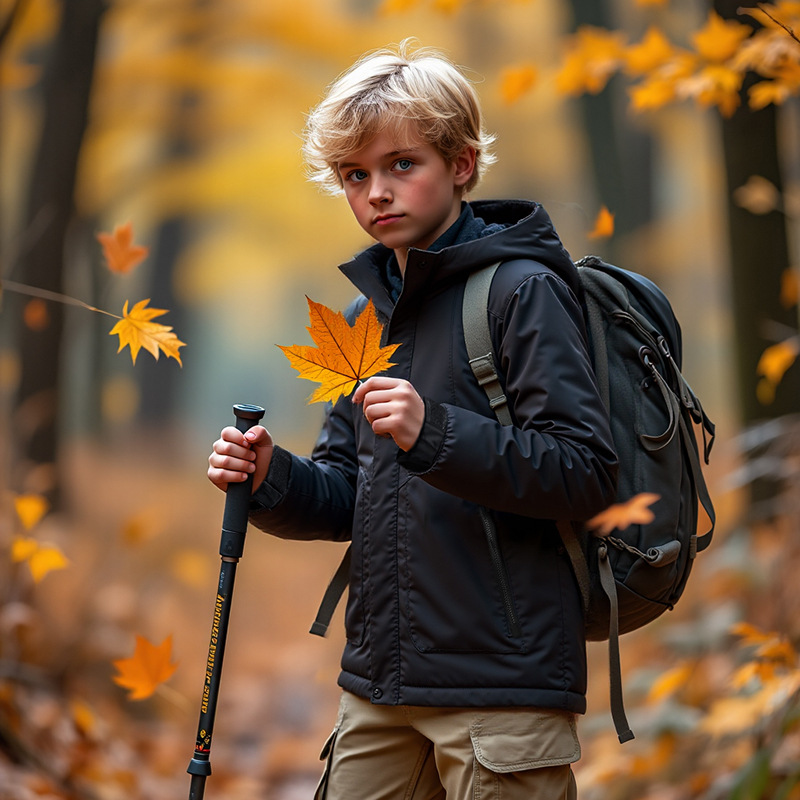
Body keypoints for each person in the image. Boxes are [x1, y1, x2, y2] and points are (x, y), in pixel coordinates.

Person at [208, 40, 618, 800]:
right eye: (355, 176)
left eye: (403, 164)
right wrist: (270, 478)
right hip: (380, 682)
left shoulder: (522, 292)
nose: (377, 193)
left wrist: (435, 433)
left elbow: (586, 472)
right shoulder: (369, 314)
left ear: (461, 164)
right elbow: (344, 492)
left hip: (502, 688)